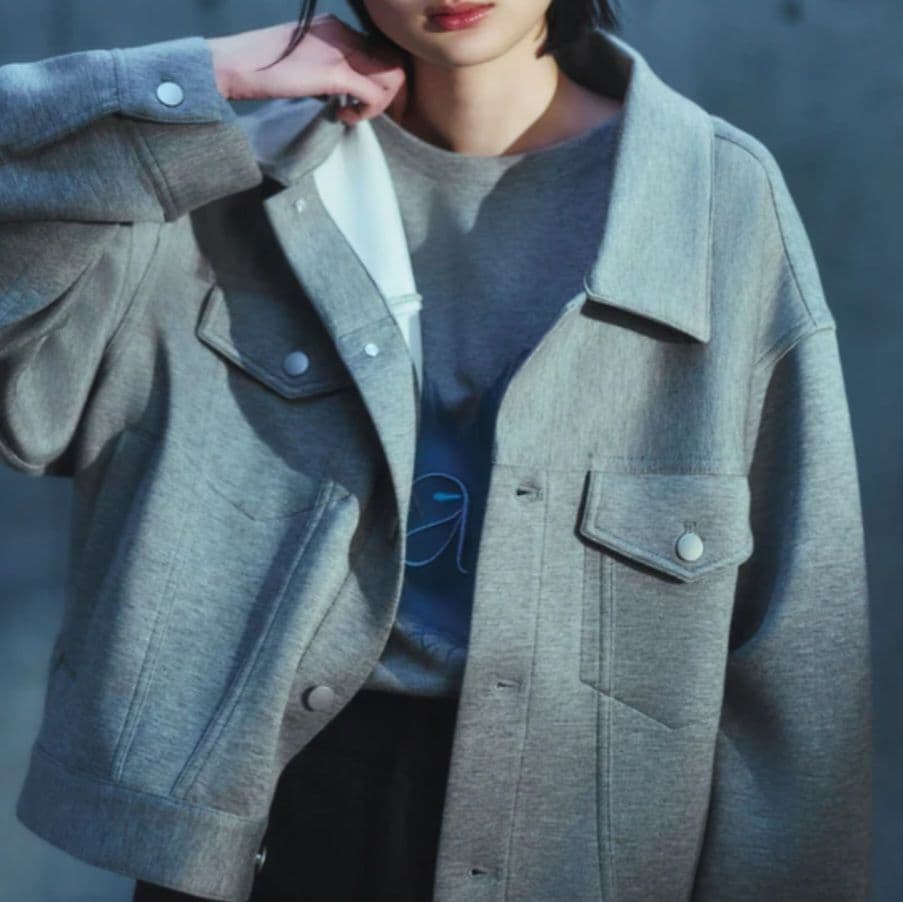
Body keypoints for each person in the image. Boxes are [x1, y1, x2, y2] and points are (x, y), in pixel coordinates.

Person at [0, 2, 872, 901]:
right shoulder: (224, 176)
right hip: (257, 825)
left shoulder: (713, 195)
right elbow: (28, 396)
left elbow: (801, 627)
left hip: (565, 841)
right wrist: (196, 80)